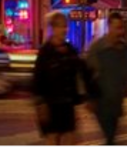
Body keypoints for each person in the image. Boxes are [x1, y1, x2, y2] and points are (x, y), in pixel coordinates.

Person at [86, 12, 127, 145]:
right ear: (109, 27)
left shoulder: (125, 50)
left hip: (117, 101)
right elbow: (87, 74)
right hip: (101, 100)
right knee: (110, 136)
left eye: (121, 27)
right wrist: (88, 98)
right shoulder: (98, 48)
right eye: (117, 28)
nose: (120, 31)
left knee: (112, 136)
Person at [33, 12, 88, 145]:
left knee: (70, 139)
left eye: (65, 26)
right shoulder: (45, 52)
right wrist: (41, 105)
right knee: (53, 139)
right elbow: (38, 80)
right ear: (53, 28)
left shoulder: (70, 51)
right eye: (60, 26)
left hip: (67, 104)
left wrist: (81, 101)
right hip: (50, 105)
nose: (64, 30)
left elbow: (80, 74)